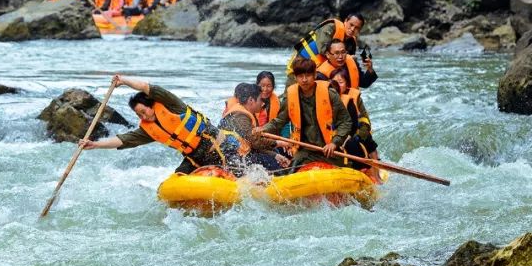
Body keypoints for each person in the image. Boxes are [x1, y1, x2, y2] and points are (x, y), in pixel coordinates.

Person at [82, 76, 242, 174]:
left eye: (144, 111)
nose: (143, 116)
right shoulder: (148, 130)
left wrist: (123, 81)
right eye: (139, 115)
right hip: (195, 158)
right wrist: (95, 144)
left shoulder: (172, 105)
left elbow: (146, 87)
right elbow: (123, 140)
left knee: (239, 172)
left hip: (219, 147)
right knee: (178, 177)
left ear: (151, 105)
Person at [256, 57, 352, 170]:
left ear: (315, 75)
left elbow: (346, 121)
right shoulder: (291, 96)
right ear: (296, 78)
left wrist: (334, 143)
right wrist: (263, 129)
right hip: (305, 150)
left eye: (308, 75)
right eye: (300, 76)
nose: (304, 80)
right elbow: (279, 121)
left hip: (329, 149)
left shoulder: (330, 94)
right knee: (289, 172)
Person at [285, 13, 376, 88]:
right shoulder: (330, 27)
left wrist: (370, 69)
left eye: (357, 28)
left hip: (320, 76)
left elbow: (362, 82)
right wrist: (347, 58)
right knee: (290, 98)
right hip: (301, 68)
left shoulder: (351, 45)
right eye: (351, 25)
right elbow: (323, 49)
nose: (352, 29)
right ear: (345, 21)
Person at [219, 83, 290, 172]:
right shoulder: (241, 116)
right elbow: (255, 142)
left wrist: (275, 155)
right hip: (234, 160)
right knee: (272, 160)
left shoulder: (244, 112)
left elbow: (252, 144)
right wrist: (277, 143)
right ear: (251, 100)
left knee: (274, 154)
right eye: (260, 99)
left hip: (239, 155)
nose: (262, 103)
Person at [329, 70, 381, 183]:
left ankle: (376, 174)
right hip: (334, 135)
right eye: (334, 82)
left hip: (356, 132)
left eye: (341, 82)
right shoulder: (325, 98)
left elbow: (362, 120)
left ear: (347, 84)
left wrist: (357, 135)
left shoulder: (352, 99)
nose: (337, 85)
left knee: (367, 140)